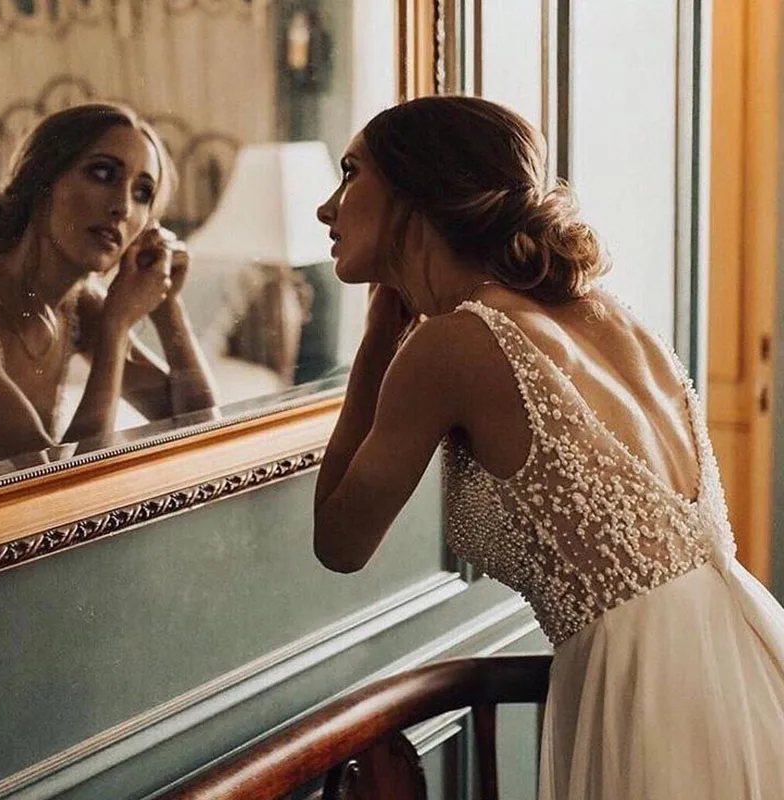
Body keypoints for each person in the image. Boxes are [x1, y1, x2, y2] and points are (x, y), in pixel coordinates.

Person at [313, 95, 784, 799]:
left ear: (416, 191)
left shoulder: (453, 344)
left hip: (649, 695)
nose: (329, 208)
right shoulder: (607, 315)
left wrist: (379, 341)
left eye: (350, 172)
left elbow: (339, 542)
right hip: (741, 661)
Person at [0, 102, 218, 465]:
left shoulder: (79, 306)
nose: (123, 207)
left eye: (143, 193)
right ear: (42, 180)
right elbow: (55, 483)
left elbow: (202, 424)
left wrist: (168, 305)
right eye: (103, 173)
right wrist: (116, 326)